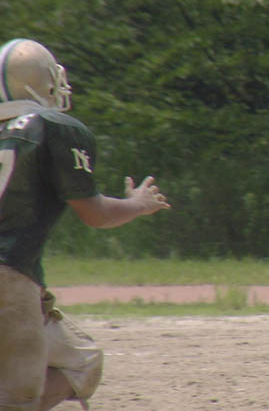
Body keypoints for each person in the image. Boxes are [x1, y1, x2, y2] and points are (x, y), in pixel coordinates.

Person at [0, 38, 171, 410]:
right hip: (9, 276)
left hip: (16, 276)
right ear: (44, 82)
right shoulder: (52, 127)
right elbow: (94, 213)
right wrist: (137, 205)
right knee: (17, 399)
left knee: (83, 360)